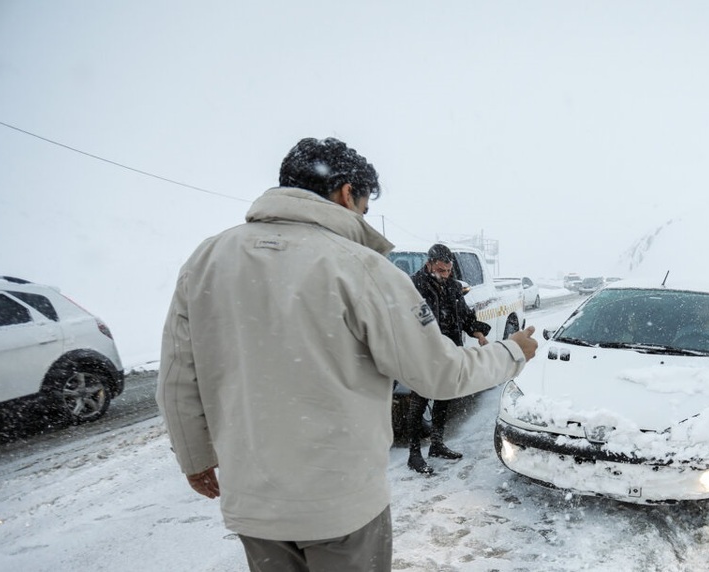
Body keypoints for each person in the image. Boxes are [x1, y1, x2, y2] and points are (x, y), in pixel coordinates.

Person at [155, 137, 538, 572]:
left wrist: (194, 456)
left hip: (254, 503)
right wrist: (512, 351)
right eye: (364, 205)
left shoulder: (207, 258)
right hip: (340, 503)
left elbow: (177, 378)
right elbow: (439, 374)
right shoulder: (363, 268)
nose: (362, 215)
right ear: (345, 193)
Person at [403, 243, 490, 474]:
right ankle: (414, 454)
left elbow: (463, 314)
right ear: (429, 263)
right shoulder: (413, 287)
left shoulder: (452, 286)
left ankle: (437, 444)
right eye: (440, 270)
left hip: (449, 351)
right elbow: (407, 322)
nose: (445, 275)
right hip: (423, 354)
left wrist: (478, 332)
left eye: (448, 271)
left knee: (444, 397)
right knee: (419, 403)